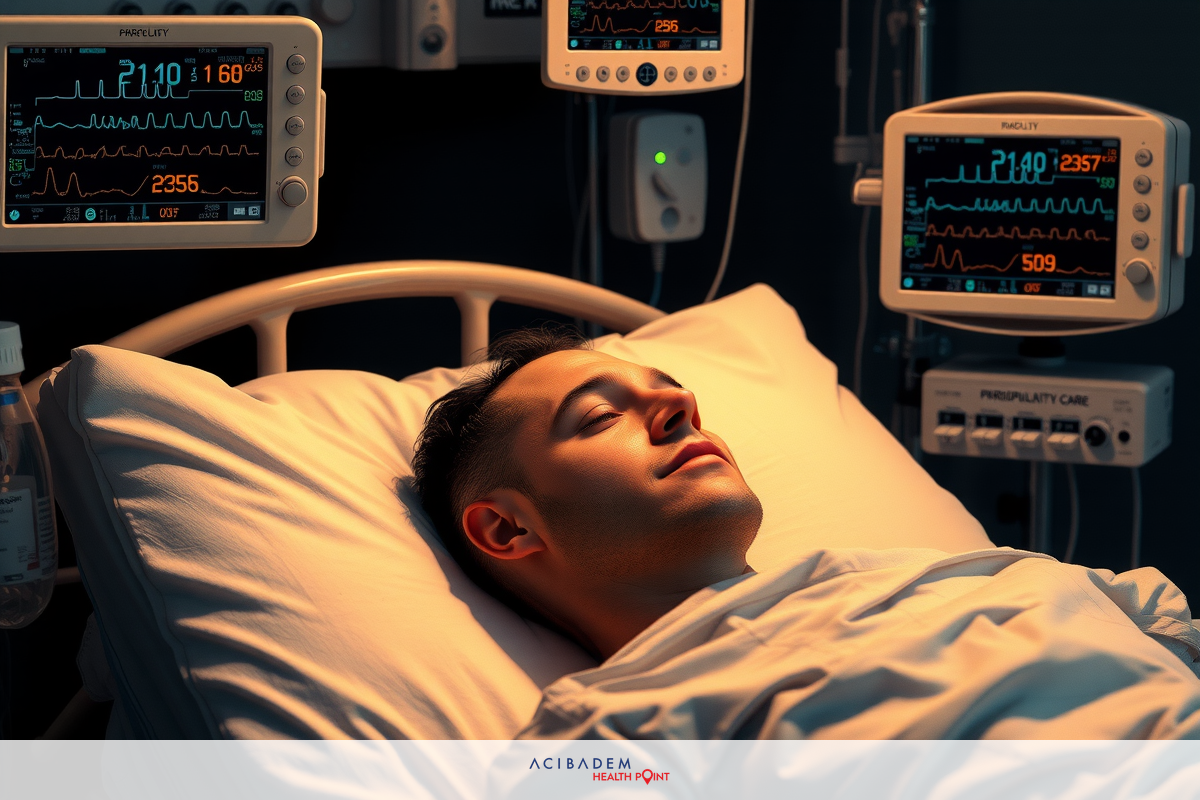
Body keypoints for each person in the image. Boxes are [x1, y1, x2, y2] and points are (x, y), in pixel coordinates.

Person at [412, 325, 764, 661]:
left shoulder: (818, 590)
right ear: (507, 527)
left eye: (673, 388)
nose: (684, 402)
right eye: (601, 415)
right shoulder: (619, 722)